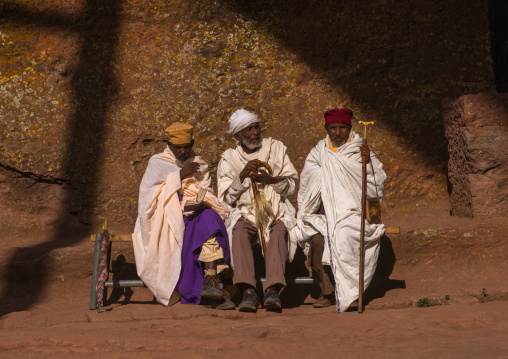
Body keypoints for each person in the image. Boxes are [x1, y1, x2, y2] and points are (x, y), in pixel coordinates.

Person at [132, 122, 234, 310]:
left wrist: (199, 201)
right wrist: (179, 176)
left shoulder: (199, 163)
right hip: (167, 218)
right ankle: (215, 285)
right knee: (210, 222)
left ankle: (212, 283)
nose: (182, 151)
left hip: (195, 213)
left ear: (193, 143)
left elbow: (207, 191)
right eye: (178, 147)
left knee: (211, 218)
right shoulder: (158, 162)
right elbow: (147, 199)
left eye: (187, 147)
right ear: (169, 145)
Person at [295, 108, 386, 312]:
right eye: (333, 128)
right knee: (317, 241)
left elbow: (376, 183)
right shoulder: (318, 153)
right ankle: (327, 292)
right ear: (326, 128)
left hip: (353, 213)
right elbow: (308, 185)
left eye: (342, 128)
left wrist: (368, 161)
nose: (338, 133)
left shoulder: (360, 150)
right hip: (324, 213)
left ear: (349, 128)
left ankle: (351, 293)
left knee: (344, 236)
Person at [217, 109, 298, 312]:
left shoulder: (276, 148)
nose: (255, 133)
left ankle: (272, 291)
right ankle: (248, 290)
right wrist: (242, 177)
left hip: (276, 209)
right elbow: (227, 198)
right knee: (239, 231)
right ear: (237, 136)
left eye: (256, 127)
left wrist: (271, 180)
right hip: (246, 211)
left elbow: (292, 186)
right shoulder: (229, 158)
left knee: (279, 231)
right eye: (248, 130)